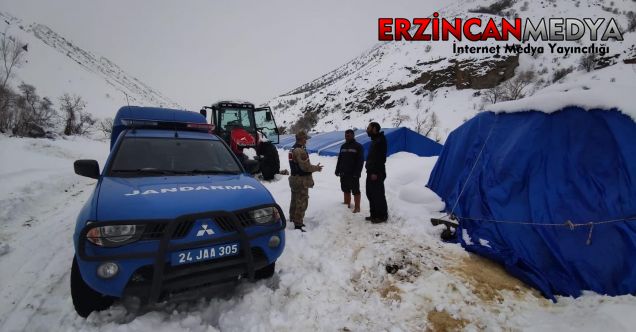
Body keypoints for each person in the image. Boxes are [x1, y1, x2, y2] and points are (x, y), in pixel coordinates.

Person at [288, 130, 323, 231]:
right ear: (302, 139)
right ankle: (298, 224)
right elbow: (305, 167)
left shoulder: (292, 149)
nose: (306, 141)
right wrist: (316, 168)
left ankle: (293, 218)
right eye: (305, 139)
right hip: (301, 180)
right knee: (302, 201)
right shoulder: (300, 151)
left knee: (294, 199)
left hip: (294, 178)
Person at [335, 129, 364, 213]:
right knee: (345, 189)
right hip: (343, 173)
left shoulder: (358, 146)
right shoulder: (343, 146)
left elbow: (360, 161)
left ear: (353, 135)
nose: (346, 137)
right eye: (345, 135)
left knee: (355, 190)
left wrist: (357, 173)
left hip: (353, 173)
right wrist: (337, 170)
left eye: (348, 135)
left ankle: (357, 207)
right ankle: (347, 204)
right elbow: (340, 159)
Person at [364, 122, 388, 223]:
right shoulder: (375, 140)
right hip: (371, 171)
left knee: (378, 194)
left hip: (376, 172)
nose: (367, 130)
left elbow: (379, 158)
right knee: (370, 193)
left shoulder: (380, 140)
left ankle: (382, 216)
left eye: (368, 128)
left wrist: (374, 172)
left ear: (374, 128)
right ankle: (374, 214)